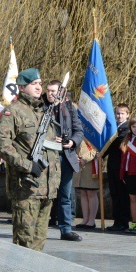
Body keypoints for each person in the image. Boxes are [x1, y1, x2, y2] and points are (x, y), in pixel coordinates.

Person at [0, 68, 61, 250]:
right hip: (26, 187)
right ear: (22, 88)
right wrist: (27, 165)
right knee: (24, 242)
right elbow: (1, 145)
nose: (39, 88)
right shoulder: (13, 112)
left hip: (46, 187)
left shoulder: (43, 112)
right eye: (34, 84)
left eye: (40, 84)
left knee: (39, 244)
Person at [44, 82, 83, 242]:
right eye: (48, 91)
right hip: (47, 157)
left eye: (53, 91)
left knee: (65, 196)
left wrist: (71, 142)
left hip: (65, 157)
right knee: (45, 194)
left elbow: (78, 130)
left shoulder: (70, 108)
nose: (49, 94)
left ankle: (66, 229)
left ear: (61, 92)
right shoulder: (42, 107)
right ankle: (39, 227)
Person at [103, 104, 131, 231]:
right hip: (112, 165)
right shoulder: (113, 127)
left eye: (122, 114)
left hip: (122, 166)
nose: (119, 116)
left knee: (122, 194)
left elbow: (117, 142)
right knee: (114, 193)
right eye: (118, 113)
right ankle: (117, 220)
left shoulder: (127, 128)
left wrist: (103, 150)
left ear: (127, 115)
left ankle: (123, 221)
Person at [73, 140, 99, 228]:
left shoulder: (92, 130)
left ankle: (91, 220)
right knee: (83, 193)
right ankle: (85, 219)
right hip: (79, 165)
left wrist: (85, 158)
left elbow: (97, 148)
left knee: (91, 193)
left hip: (91, 165)